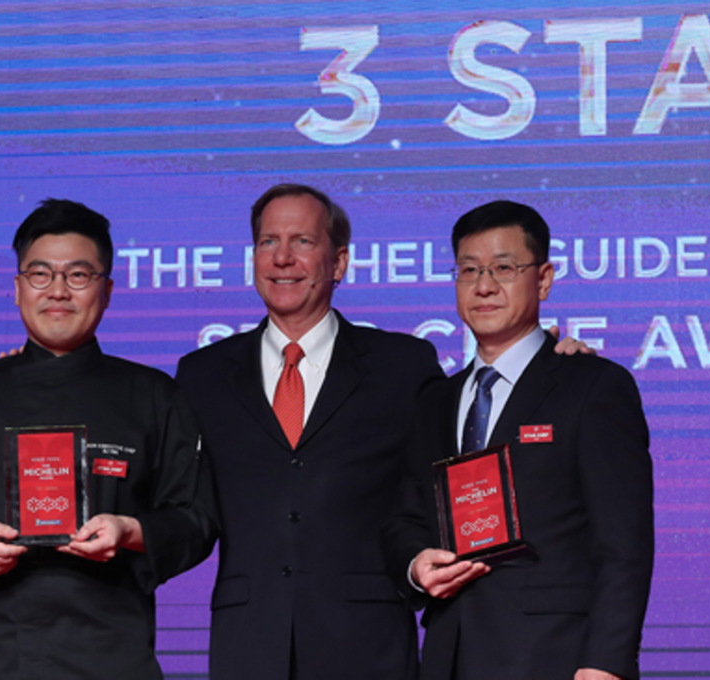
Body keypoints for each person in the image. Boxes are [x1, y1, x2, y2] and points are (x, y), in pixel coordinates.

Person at [176, 184, 590, 680]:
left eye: (303, 242)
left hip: (367, 643)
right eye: (268, 242)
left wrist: (552, 368)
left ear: (339, 262)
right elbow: (186, 505)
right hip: (248, 643)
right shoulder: (202, 375)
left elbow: (473, 449)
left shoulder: (402, 366)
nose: (283, 258)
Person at [383, 200, 655, 680]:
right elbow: (406, 515)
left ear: (544, 279)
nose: (484, 286)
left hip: (555, 657)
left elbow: (624, 544)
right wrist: (415, 564)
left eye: (504, 268)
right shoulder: (435, 401)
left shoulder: (591, 386)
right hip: (451, 654)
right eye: (469, 270)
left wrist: (605, 664)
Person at [0, 199, 218, 679]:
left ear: (108, 289)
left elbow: (197, 520)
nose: (58, 291)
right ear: (17, 288)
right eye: (40, 274)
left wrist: (129, 531)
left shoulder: (153, 395)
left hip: (112, 654)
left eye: (78, 275)